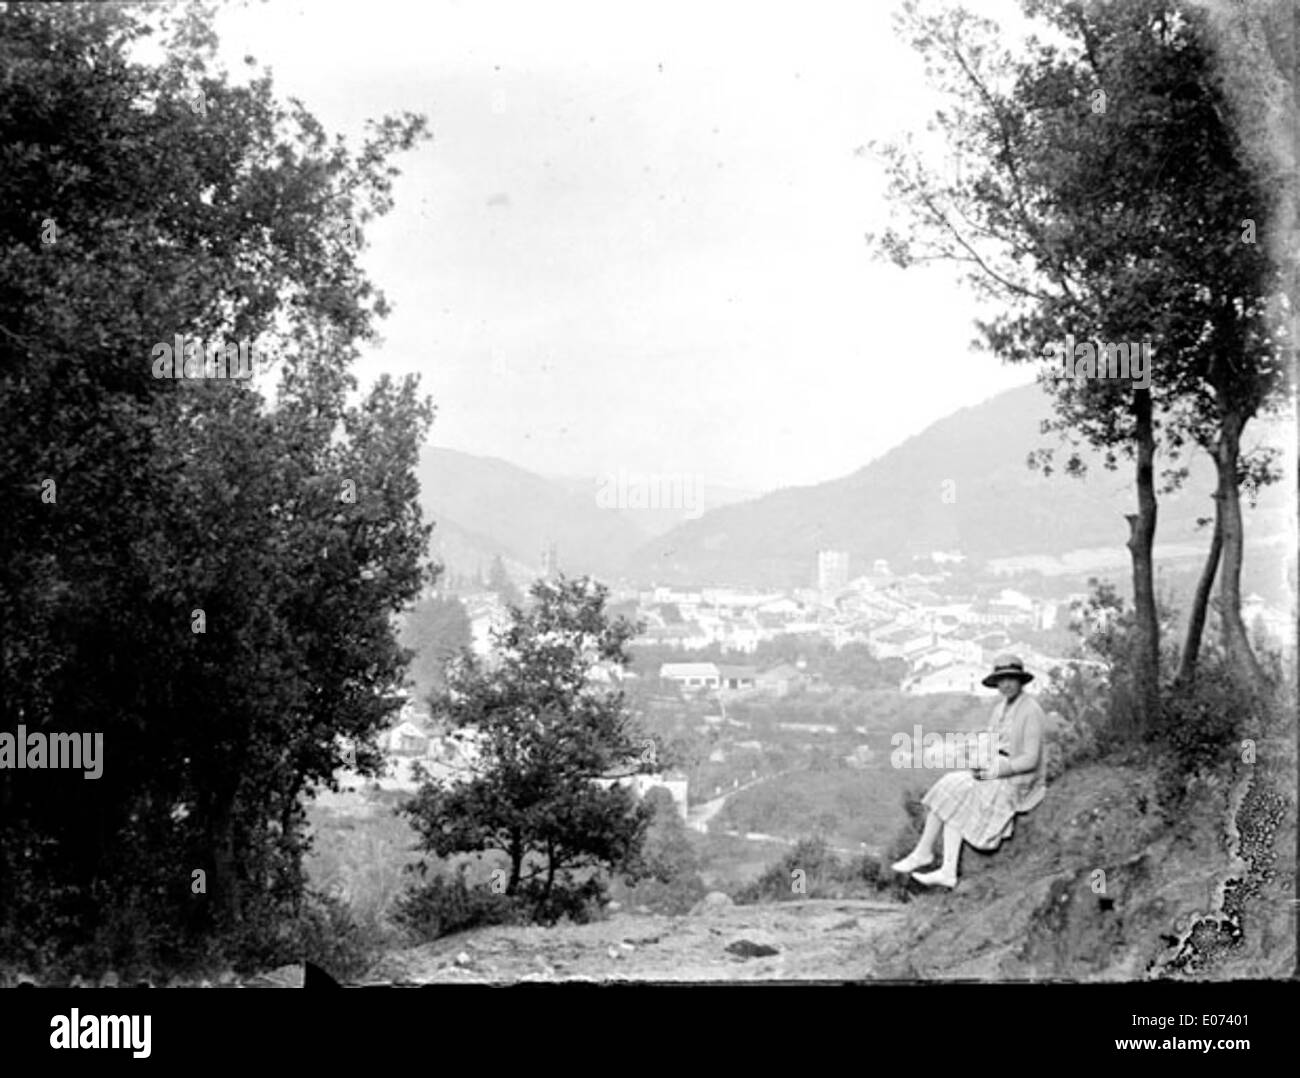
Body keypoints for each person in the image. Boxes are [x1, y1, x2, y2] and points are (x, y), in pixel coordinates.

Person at [890, 654, 1048, 889]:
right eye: (1001, 680)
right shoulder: (1000, 709)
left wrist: (996, 770)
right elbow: (993, 743)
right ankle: (929, 855)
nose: (1006, 685)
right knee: (950, 784)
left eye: (1011, 679)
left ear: (1020, 681)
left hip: (1018, 780)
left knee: (961, 795)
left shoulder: (1031, 710)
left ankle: (942, 865)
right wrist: (979, 760)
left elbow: (1030, 759)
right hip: (996, 769)